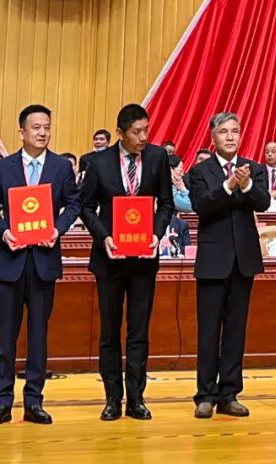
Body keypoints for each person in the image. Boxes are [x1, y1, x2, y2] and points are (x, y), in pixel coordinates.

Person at [0, 105, 82, 425]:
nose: (42, 132)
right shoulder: (5, 167)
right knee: (6, 336)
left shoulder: (60, 167)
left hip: (43, 260)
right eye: (36, 127)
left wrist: (57, 229)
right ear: (22, 132)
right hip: (11, 259)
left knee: (38, 335)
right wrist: (4, 232)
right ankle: (2, 401)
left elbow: (74, 204)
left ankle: (34, 401)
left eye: (47, 127)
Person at [80, 104, 174, 421]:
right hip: (110, 259)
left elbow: (166, 203)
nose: (143, 137)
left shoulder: (158, 158)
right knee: (110, 332)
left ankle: (136, 398)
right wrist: (103, 237)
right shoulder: (98, 162)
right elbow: (87, 206)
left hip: (144, 259)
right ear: (120, 133)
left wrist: (157, 234)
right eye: (136, 132)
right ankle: (112, 398)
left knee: (139, 332)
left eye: (146, 130)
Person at [188, 112, 268, 419]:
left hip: (243, 261)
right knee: (209, 330)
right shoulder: (201, 171)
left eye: (235, 131)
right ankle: (205, 395)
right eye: (224, 131)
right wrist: (228, 185)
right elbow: (201, 205)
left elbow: (262, 202)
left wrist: (245, 186)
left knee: (236, 330)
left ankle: (229, 394)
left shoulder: (254, 169)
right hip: (213, 260)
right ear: (213, 137)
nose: (230, 136)